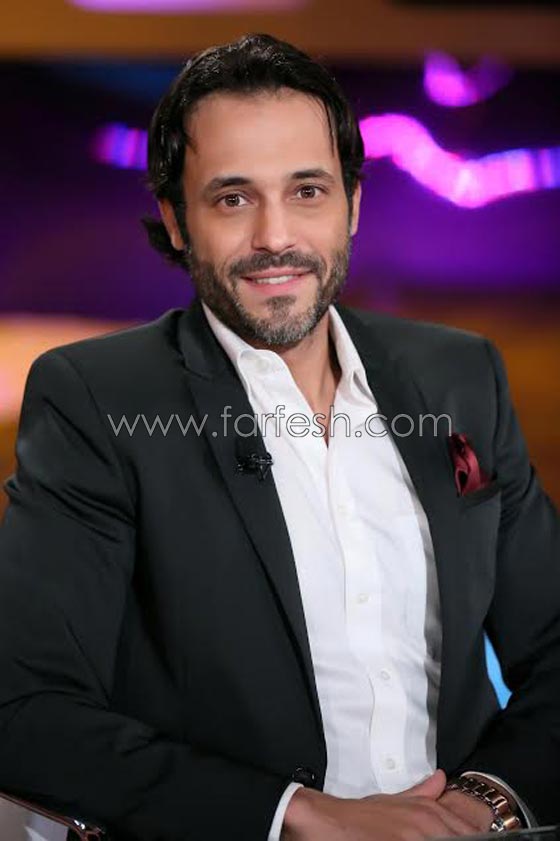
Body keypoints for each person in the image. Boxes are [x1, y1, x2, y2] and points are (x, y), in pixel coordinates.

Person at [0, 32, 559, 841]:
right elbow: (24, 708)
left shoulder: (460, 374)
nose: (275, 237)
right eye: (233, 198)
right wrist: (297, 815)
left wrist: (484, 803)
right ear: (176, 219)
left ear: (352, 203)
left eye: (308, 191)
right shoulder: (96, 398)